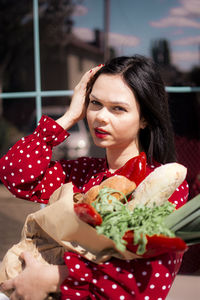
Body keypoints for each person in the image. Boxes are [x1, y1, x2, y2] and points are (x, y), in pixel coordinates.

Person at [0, 55, 189, 300]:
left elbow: (145, 282)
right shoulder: (84, 173)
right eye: (95, 103)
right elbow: (15, 175)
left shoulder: (165, 183)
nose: (100, 117)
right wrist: (69, 117)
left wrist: (53, 278)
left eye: (118, 108)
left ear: (145, 118)